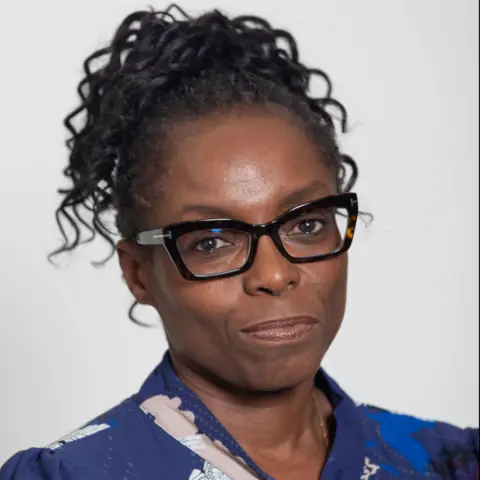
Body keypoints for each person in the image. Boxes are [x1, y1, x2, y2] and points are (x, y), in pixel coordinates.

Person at [0, 4, 478, 480]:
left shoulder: (449, 463)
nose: (274, 274)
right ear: (138, 274)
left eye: (305, 225)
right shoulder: (70, 475)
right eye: (212, 241)